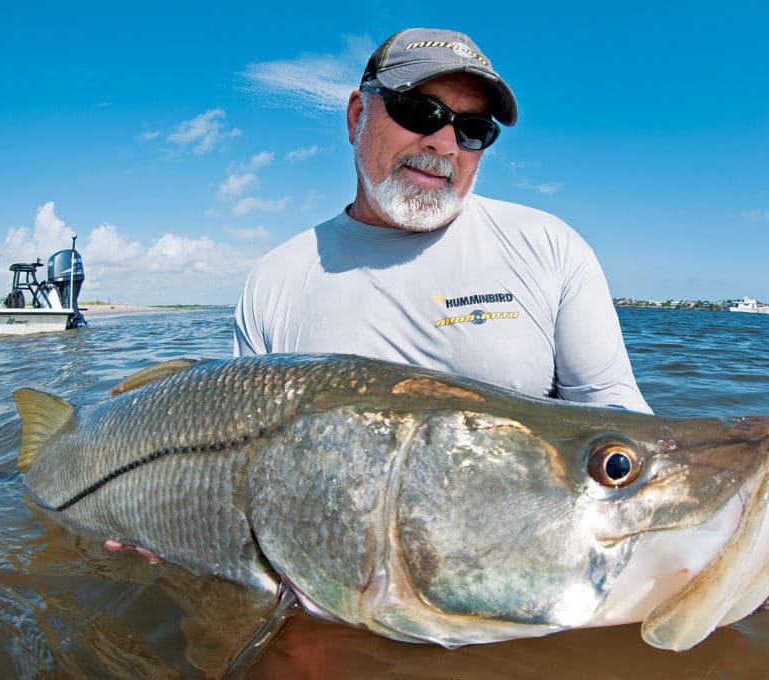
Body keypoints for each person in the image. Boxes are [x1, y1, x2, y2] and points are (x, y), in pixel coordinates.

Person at [234, 27, 651, 414]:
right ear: (357, 115)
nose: (445, 144)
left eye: (473, 129)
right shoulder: (275, 279)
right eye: (419, 111)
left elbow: (618, 419)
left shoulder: (551, 248)